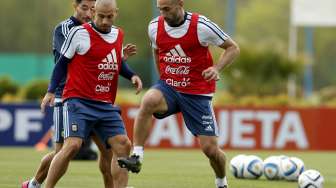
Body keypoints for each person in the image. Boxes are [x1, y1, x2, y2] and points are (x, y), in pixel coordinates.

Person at [117, 0, 239, 188]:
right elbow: (157, 52)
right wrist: (163, 80)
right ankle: (137, 156)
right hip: (170, 87)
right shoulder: (154, 26)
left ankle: (221, 182)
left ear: (180, 3)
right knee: (149, 99)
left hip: (197, 93)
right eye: (160, 9)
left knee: (211, 150)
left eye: (167, 9)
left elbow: (233, 48)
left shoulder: (201, 26)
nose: (163, 14)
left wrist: (216, 68)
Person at [21, 0, 137, 187]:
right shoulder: (68, 30)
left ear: (115, 13)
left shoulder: (114, 33)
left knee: (111, 151)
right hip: (69, 96)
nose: (89, 13)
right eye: (86, 8)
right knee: (67, 149)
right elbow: (67, 61)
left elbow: (107, 58)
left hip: (102, 101)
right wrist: (50, 91)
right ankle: (35, 183)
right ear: (77, 6)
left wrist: (129, 72)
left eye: (109, 16)